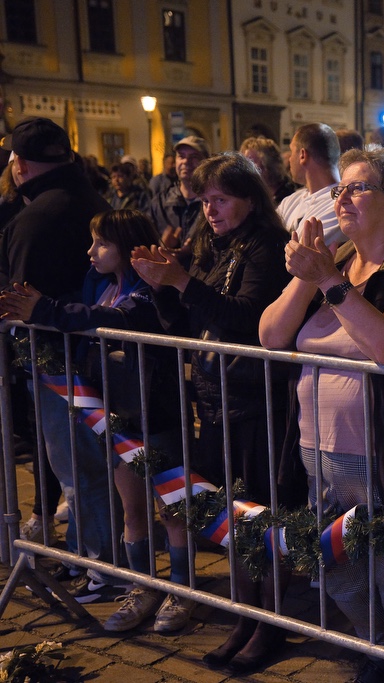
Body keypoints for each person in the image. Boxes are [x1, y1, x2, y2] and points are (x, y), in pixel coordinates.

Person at [259, 146, 384, 683]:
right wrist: (311, 275)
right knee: (334, 567)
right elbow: (272, 334)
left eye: (357, 188)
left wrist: (330, 283)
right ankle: (377, 648)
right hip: (317, 447)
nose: (341, 198)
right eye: (339, 188)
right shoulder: (337, 259)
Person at [131, 152, 294, 674]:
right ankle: (243, 617)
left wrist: (182, 281)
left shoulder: (268, 246)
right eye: (204, 201)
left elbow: (247, 320)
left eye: (220, 199)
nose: (211, 210)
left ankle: (269, 624)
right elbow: (184, 320)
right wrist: (162, 286)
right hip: (214, 397)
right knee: (232, 515)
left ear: (249, 198)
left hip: (256, 400)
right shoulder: (211, 243)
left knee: (263, 516)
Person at [0, 209, 193, 631]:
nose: (91, 251)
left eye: (101, 243)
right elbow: (83, 309)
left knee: (172, 508)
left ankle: (181, 590)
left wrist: (46, 310)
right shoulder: (99, 283)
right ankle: (141, 585)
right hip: (117, 413)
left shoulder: (149, 291)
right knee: (131, 506)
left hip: (154, 411)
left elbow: (111, 319)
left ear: (126, 248)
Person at [0, 117, 115, 595]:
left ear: (20, 165)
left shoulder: (36, 217)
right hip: (88, 355)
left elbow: (19, 298)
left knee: (78, 468)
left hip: (58, 363)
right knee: (85, 467)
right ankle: (88, 553)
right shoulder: (86, 198)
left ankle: (99, 565)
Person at [277, 123, 344, 246]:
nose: (289, 159)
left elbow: (301, 253)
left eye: (291, 151)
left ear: (303, 155)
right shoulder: (291, 200)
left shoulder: (340, 204)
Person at [150, 136, 210, 250]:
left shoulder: (214, 201)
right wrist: (163, 248)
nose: (186, 162)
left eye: (194, 157)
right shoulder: (160, 202)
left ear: (206, 161)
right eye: (181, 156)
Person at [239, 136, 299, 205]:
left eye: (251, 161)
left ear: (267, 163)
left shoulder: (290, 197)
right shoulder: (253, 198)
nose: (245, 168)